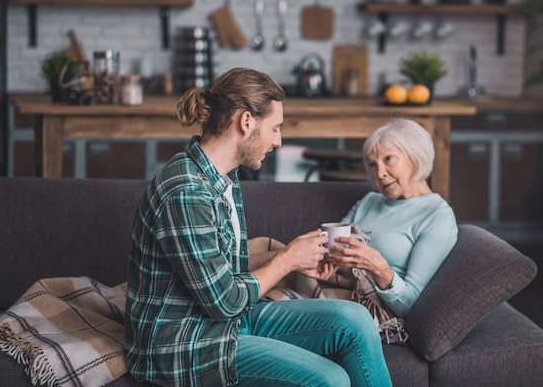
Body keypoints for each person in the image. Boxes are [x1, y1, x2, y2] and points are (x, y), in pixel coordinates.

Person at [124, 67, 393, 387]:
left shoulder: (223, 177)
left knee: (355, 320)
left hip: (229, 322)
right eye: (275, 128)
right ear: (246, 121)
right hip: (186, 343)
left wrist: (295, 256)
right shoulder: (185, 192)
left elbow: (221, 270)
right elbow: (225, 301)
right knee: (329, 380)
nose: (278, 141)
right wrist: (286, 260)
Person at [328, 118, 458, 318]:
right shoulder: (369, 200)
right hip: (334, 288)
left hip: (369, 310)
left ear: (415, 157)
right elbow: (333, 251)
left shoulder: (437, 216)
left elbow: (409, 303)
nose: (379, 173)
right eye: (372, 164)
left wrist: (380, 269)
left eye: (388, 159)